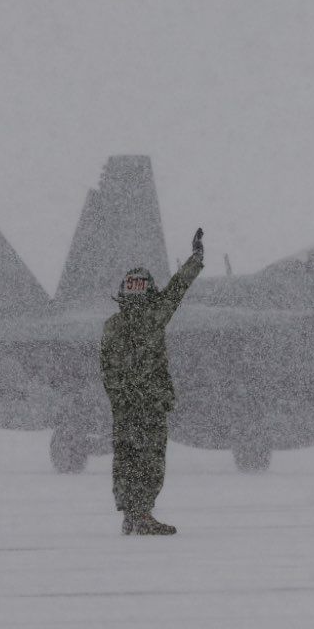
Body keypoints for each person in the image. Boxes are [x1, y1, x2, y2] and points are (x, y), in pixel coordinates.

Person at [100, 228, 204, 535]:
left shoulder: (112, 325)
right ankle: (142, 514)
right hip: (150, 404)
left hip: (124, 406)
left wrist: (118, 398)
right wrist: (196, 259)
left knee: (125, 457)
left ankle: (130, 514)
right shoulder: (154, 316)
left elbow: (106, 368)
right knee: (149, 459)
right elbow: (177, 289)